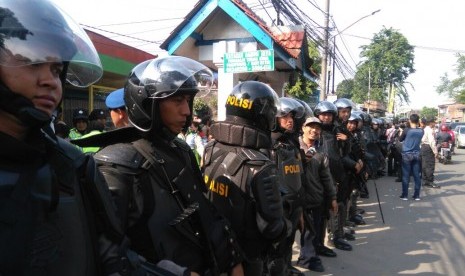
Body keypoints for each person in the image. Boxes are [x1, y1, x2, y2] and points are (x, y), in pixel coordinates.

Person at [0, 0, 149, 274]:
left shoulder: (72, 165)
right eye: (32, 61)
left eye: (57, 69)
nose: (50, 80)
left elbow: (113, 257)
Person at [94, 56, 244, 276]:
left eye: (188, 100)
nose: (186, 111)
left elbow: (206, 212)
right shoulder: (118, 165)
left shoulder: (181, 150)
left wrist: (233, 257)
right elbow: (108, 255)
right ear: (148, 103)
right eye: (177, 100)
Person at [202, 81, 288, 275]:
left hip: (215, 249)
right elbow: (273, 229)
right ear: (263, 116)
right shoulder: (259, 165)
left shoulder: (210, 149)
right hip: (247, 260)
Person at [266, 97, 305, 276]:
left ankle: (287, 269)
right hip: (279, 205)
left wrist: (300, 209)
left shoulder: (292, 142)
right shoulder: (267, 143)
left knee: (288, 242)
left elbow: (298, 174)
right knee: (276, 249)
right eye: (284, 117)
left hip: (294, 203)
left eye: (291, 116)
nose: (290, 120)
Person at [297, 117, 338, 273]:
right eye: (311, 127)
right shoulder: (293, 148)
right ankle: (305, 259)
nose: (314, 130)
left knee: (312, 230)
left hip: (316, 198)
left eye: (318, 128)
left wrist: (332, 198)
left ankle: (309, 257)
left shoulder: (320, 153)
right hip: (297, 199)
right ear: (303, 128)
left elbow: (326, 177)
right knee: (301, 232)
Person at [314, 101, 352, 251]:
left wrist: (346, 140)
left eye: (329, 114)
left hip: (337, 173)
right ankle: (321, 242)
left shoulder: (337, 130)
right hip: (320, 175)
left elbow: (344, 153)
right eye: (323, 114)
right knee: (323, 210)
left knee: (339, 205)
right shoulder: (313, 130)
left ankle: (337, 236)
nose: (326, 118)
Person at [399, 114, 424, 200]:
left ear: (410, 120)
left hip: (407, 154)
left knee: (406, 175)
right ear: (418, 121)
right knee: (417, 175)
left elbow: (400, 139)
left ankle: (405, 195)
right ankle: (416, 195)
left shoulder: (406, 130)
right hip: (416, 154)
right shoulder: (421, 131)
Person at [420, 117, 440, 188]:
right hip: (428, 148)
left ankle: (425, 180)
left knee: (424, 165)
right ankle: (430, 182)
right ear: (431, 123)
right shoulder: (429, 130)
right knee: (430, 165)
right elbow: (432, 142)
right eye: (434, 122)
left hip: (423, 147)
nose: (435, 123)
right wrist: (435, 152)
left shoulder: (424, 129)